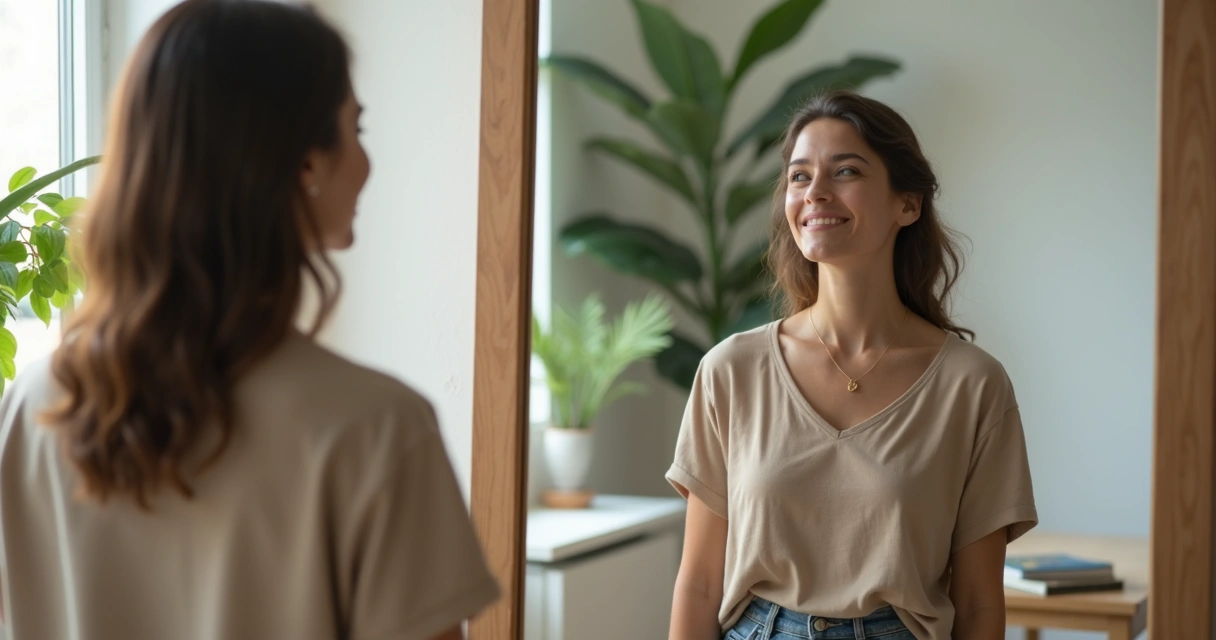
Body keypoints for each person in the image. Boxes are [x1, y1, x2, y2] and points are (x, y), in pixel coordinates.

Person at [0, 2, 498, 639]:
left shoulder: (36, 407)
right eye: (357, 130)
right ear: (306, 164)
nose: (367, 163)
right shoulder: (376, 431)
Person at [666, 91, 1037, 640]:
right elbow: (698, 585)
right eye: (798, 176)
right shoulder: (730, 371)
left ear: (907, 205)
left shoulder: (972, 385)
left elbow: (981, 604)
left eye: (845, 171)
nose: (815, 192)